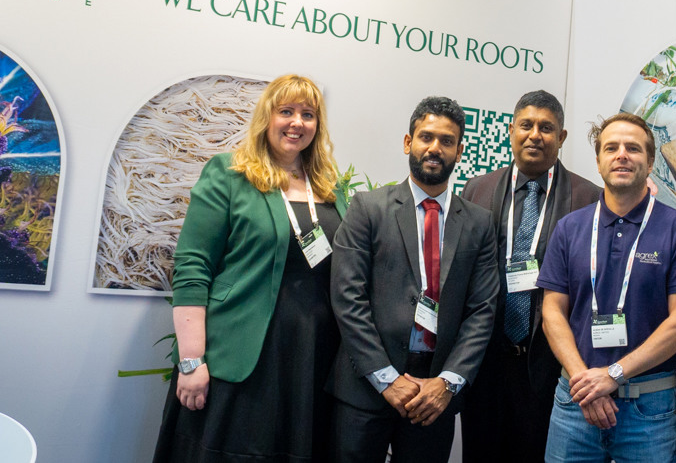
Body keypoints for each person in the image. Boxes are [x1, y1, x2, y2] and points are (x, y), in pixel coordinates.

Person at [152, 74, 347, 463]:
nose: (297, 122)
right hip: (240, 354)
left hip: (311, 357)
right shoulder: (230, 173)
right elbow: (192, 266)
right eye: (286, 111)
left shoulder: (329, 187)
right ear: (266, 117)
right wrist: (191, 361)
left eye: (308, 114)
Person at [328, 95, 498, 463]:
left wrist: (448, 382)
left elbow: (482, 310)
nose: (435, 148)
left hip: (434, 397)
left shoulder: (480, 223)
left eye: (447, 141)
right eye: (426, 137)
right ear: (409, 142)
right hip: (365, 390)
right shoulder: (368, 208)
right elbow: (347, 298)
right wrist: (385, 378)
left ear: (459, 151)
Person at [538, 112, 676, 463]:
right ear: (598, 161)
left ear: (650, 162)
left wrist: (613, 375)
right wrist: (586, 382)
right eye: (611, 148)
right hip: (575, 402)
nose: (622, 155)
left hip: (647, 410)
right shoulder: (570, 228)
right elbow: (552, 312)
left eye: (633, 148)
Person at [460, 89, 600, 463]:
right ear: (511, 131)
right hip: (484, 361)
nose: (535, 135)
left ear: (562, 137)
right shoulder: (477, 189)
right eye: (526, 125)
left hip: (548, 366)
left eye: (546, 128)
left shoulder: (589, 199)